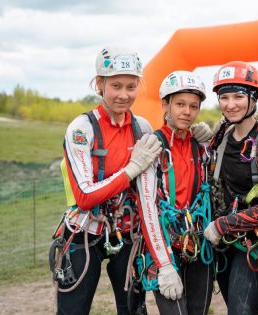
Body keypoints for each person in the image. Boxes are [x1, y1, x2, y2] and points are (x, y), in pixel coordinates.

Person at [50, 46, 162, 315]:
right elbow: (85, 197)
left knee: (135, 310)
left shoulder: (142, 127)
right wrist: (131, 169)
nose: (124, 95)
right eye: (116, 86)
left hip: (127, 231)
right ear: (99, 84)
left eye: (131, 86)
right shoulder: (82, 128)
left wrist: (202, 136)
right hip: (84, 230)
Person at [203, 61, 258, 315]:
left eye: (238, 96)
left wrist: (222, 225)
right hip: (224, 242)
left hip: (254, 243)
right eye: (224, 97)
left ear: (253, 99)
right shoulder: (222, 135)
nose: (230, 104)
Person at [139, 70, 214, 315]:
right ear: (165, 104)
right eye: (180, 104)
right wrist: (163, 265)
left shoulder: (201, 146)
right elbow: (148, 209)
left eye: (194, 106)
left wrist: (210, 135)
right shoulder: (152, 147)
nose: (187, 112)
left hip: (197, 242)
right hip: (165, 244)